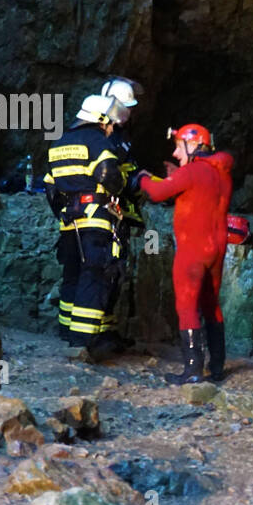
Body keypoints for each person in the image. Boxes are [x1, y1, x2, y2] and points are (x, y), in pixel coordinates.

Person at [130, 124, 234, 383]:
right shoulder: (221, 172)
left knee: (186, 306)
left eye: (178, 146)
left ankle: (192, 371)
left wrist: (141, 177)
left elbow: (156, 192)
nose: (176, 153)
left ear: (193, 145)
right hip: (217, 248)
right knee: (211, 305)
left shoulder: (193, 171)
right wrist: (177, 175)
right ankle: (217, 368)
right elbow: (198, 192)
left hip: (193, 249)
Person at [43, 92, 131, 360]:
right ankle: (83, 342)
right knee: (95, 275)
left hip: (70, 222)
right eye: (110, 123)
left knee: (72, 274)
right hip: (95, 219)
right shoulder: (96, 140)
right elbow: (107, 174)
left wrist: (63, 212)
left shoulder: (59, 142)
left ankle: (67, 333)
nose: (111, 128)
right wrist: (124, 185)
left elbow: (49, 186)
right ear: (101, 119)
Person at [97, 77, 146, 350]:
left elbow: (125, 170)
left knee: (115, 274)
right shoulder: (101, 134)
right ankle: (95, 336)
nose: (128, 112)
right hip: (104, 214)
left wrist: (139, 180)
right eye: (125, 106)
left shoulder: (120, 136)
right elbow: (110, 175)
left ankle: (107, 332)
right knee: (105, 272)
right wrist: (135, 182)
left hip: (118, 215)